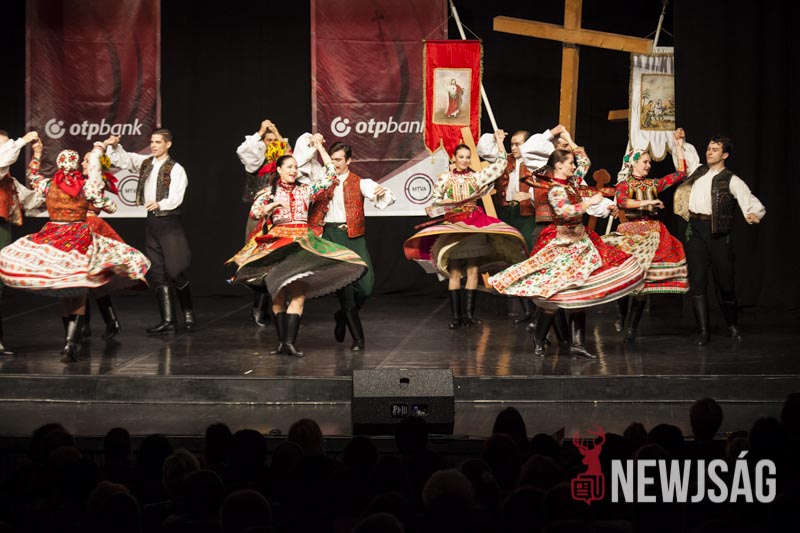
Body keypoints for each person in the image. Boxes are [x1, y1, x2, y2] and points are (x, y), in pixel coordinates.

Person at [0, 140, 150, 362]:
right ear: (77, 165)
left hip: (53, 235)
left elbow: (33, 175)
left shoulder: (48, 185)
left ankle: (68, 341)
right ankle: (72, 343)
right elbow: (108, 206)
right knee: (78, 289)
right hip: (79, 237)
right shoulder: (86, 186)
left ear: (59, 165)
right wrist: (102, 198)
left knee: (65, 289)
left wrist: (37, 153)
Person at [488, 149, 644, 358]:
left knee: (580, 292)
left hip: (581, 243)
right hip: (564, 246)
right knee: (554, 297)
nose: (574, 166)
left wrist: (570, 143)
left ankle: (576, 344)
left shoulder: (571, 183)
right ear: (559, 165)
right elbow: (565, 212)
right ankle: (540, 337)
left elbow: (585, 163)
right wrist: (589, 202)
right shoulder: (555, 190)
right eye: (570, 163)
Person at [228, 134, 367, 357]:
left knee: (298, 294)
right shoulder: (268, 193)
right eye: (289, 167)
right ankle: (282, 342)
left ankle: (290, 342)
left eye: (295, 167)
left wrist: (320, 148)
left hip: (302, 243)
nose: (294, 170)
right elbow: (255, 213)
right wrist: (269, 207)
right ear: (279, 170)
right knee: (278, 295)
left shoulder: (305, 190)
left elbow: (331, 175)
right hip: (278, 244)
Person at [404, 130, 527, 329]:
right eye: (461, 157)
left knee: (472, 270)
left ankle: (469, 315)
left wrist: (499, 142)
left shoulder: (476, 177)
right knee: (454, 272)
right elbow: (435, 201)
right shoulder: (445, 179)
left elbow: (500, 165)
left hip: (473, 225)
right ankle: (456, 317)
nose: (464, 160)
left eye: (467, 157)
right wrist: (448, 203)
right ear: (454, 158)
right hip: (455, 226)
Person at [301, 140, 395, 351]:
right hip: (330, 236)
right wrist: (318, 146)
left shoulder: (359, 182)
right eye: (332, 159)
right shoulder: (323, 181)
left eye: (338, 160)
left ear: (348, 160)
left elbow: (379, 193)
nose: (334, 163)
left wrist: (382, 193)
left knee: (366, 287)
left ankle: (342, 316)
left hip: (353, 237)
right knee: (344, 287)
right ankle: (358, 339)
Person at [672, 134, 765, 345]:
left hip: (718, 234)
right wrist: (680, 144)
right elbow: (685, 162)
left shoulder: (731, 179)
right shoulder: (698, 171)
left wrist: (752, 213)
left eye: (714, 150)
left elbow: (747, 198)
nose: (709, 152)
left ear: (725, 155)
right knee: (697, 282)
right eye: (708, 149)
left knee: (725, 283)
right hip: (696, 231)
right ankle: (703, 332)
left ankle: (732, 325)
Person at [104, 129, 195, 334]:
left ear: (168, 144)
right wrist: (115, 146)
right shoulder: (146, 163)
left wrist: (161, 203)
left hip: (169, 222)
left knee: (175, 270)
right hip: (153, 222)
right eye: (152, 142)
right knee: (158, 272)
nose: (153, 145)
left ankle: (188, 314)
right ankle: (168, 320)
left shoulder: (176, 168)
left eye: (158, 142)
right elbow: (125, 159)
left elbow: (177, 195)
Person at [604, 128, 689, 341]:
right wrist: (649, 201)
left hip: (651, 234)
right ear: (634, 163)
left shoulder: (653, 184)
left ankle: (632, 330)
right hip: (631, 234)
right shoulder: (624, 185)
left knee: (643, 285)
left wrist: (678, 147)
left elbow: (680, 174)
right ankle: (621, 314)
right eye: (645, 162)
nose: (648, 165)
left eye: (649, 162)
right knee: (625, 280)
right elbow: (624, 202)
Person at [235, 119, 291, 327]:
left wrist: (276, 131)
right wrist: (260, 132)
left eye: (274, 140)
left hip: (281, 215)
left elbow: (289, 152)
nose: (272, 143)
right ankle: (258, 308)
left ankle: (280, 308)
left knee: (280, 259)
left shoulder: (285, 165)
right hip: (260, 215)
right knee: (260, 258)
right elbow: (243, 150)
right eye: (268, 140)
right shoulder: (257, 161)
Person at [0, 129, 40, 355]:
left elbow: (32, 200)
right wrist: (22, 141)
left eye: (7, 145)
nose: (7, 148)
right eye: (2, 145)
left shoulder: (10, 182)